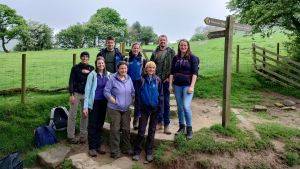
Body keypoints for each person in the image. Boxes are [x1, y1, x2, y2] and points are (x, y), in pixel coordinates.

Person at [132, 61, 163, 163]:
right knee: (141, 131)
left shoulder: (158, 80)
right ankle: (137, 151)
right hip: (144, 109)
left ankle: (149, 152)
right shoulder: (141, 80)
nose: (151, 69)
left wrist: (160, 109)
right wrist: (138, 111)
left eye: (153, 68)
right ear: (145, 69)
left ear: (155, 69)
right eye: (149, 68)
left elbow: (161, 95)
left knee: (152, 131)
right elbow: (137, 96)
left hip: (155, 108)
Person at [104, 61, 135, 159]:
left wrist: (133, 99)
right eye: (122, 68)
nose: (123, 70)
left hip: (126, 109)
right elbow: (106, 91)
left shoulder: (129, 78)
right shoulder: (112, 78)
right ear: (118, 69)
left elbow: (132, 91)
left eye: (125, 68)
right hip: (114, 108)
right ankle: (115, 151)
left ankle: (126, 148)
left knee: (126, 129)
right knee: (115, 129)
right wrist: (111, 99)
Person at [169, 39, 199, 140]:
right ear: (179, 46)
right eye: (181, 45)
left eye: (185, 45)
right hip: (177, 85)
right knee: (180, 107)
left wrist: (192, 86)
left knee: (186, 106)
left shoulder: (193, 58)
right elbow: (172, 72)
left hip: (187, 86)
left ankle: (189, 129)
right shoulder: (175, 58)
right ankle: (182, 127)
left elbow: (195, 73)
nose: (183, 47)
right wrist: (170, 85)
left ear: (188, 46)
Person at [83, 57, 110, 157]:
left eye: (102, 63)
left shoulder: (108, 75)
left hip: (104, 103)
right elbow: (87, 90)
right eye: (99, 63)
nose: (101, 65)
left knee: (100, 124)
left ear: (104, 64)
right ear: (96, 64)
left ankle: (98, 145)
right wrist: (85, 107)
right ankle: (92, 147)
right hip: (94, 103)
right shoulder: (92, 75)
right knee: (92, 125)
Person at [150, 35, 175, 135]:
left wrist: (170, 78)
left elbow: (174, 66)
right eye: (161, 40)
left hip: (166, 81)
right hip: (156, 81)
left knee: (166, 103)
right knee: (158, 103)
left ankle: (166, 125)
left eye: (164, 40)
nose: (162, 42)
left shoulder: (171, 52)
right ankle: (159, 123)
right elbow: (151, 65)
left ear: (167, 41)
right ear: (158, 41)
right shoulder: (154, 52)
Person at [68, 51, 94, 144]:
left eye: (87, 57)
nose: (85, 58)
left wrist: (89, 72)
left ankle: (83, 136)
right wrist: (71, 94)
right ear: (81, 58)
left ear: (88, 58)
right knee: (72, 114)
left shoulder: (91, 68)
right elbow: (71, 80)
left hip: (86, 95)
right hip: (76, 93)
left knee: (85, 115)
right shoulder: (75, 68)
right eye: (83, 57)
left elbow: (94, 80)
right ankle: (71, 136)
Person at [127, 42, 147, 130]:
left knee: (138, 102)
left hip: (139, 83)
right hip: (128, 83)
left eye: (137, 48)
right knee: (126, 101)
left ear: (140, 49)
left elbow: (146, 72)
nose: (135, 50)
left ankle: (136, 121)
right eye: (134, 48)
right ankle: (126, 120)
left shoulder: (142, 59)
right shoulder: (127, 59)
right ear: (132, 49)